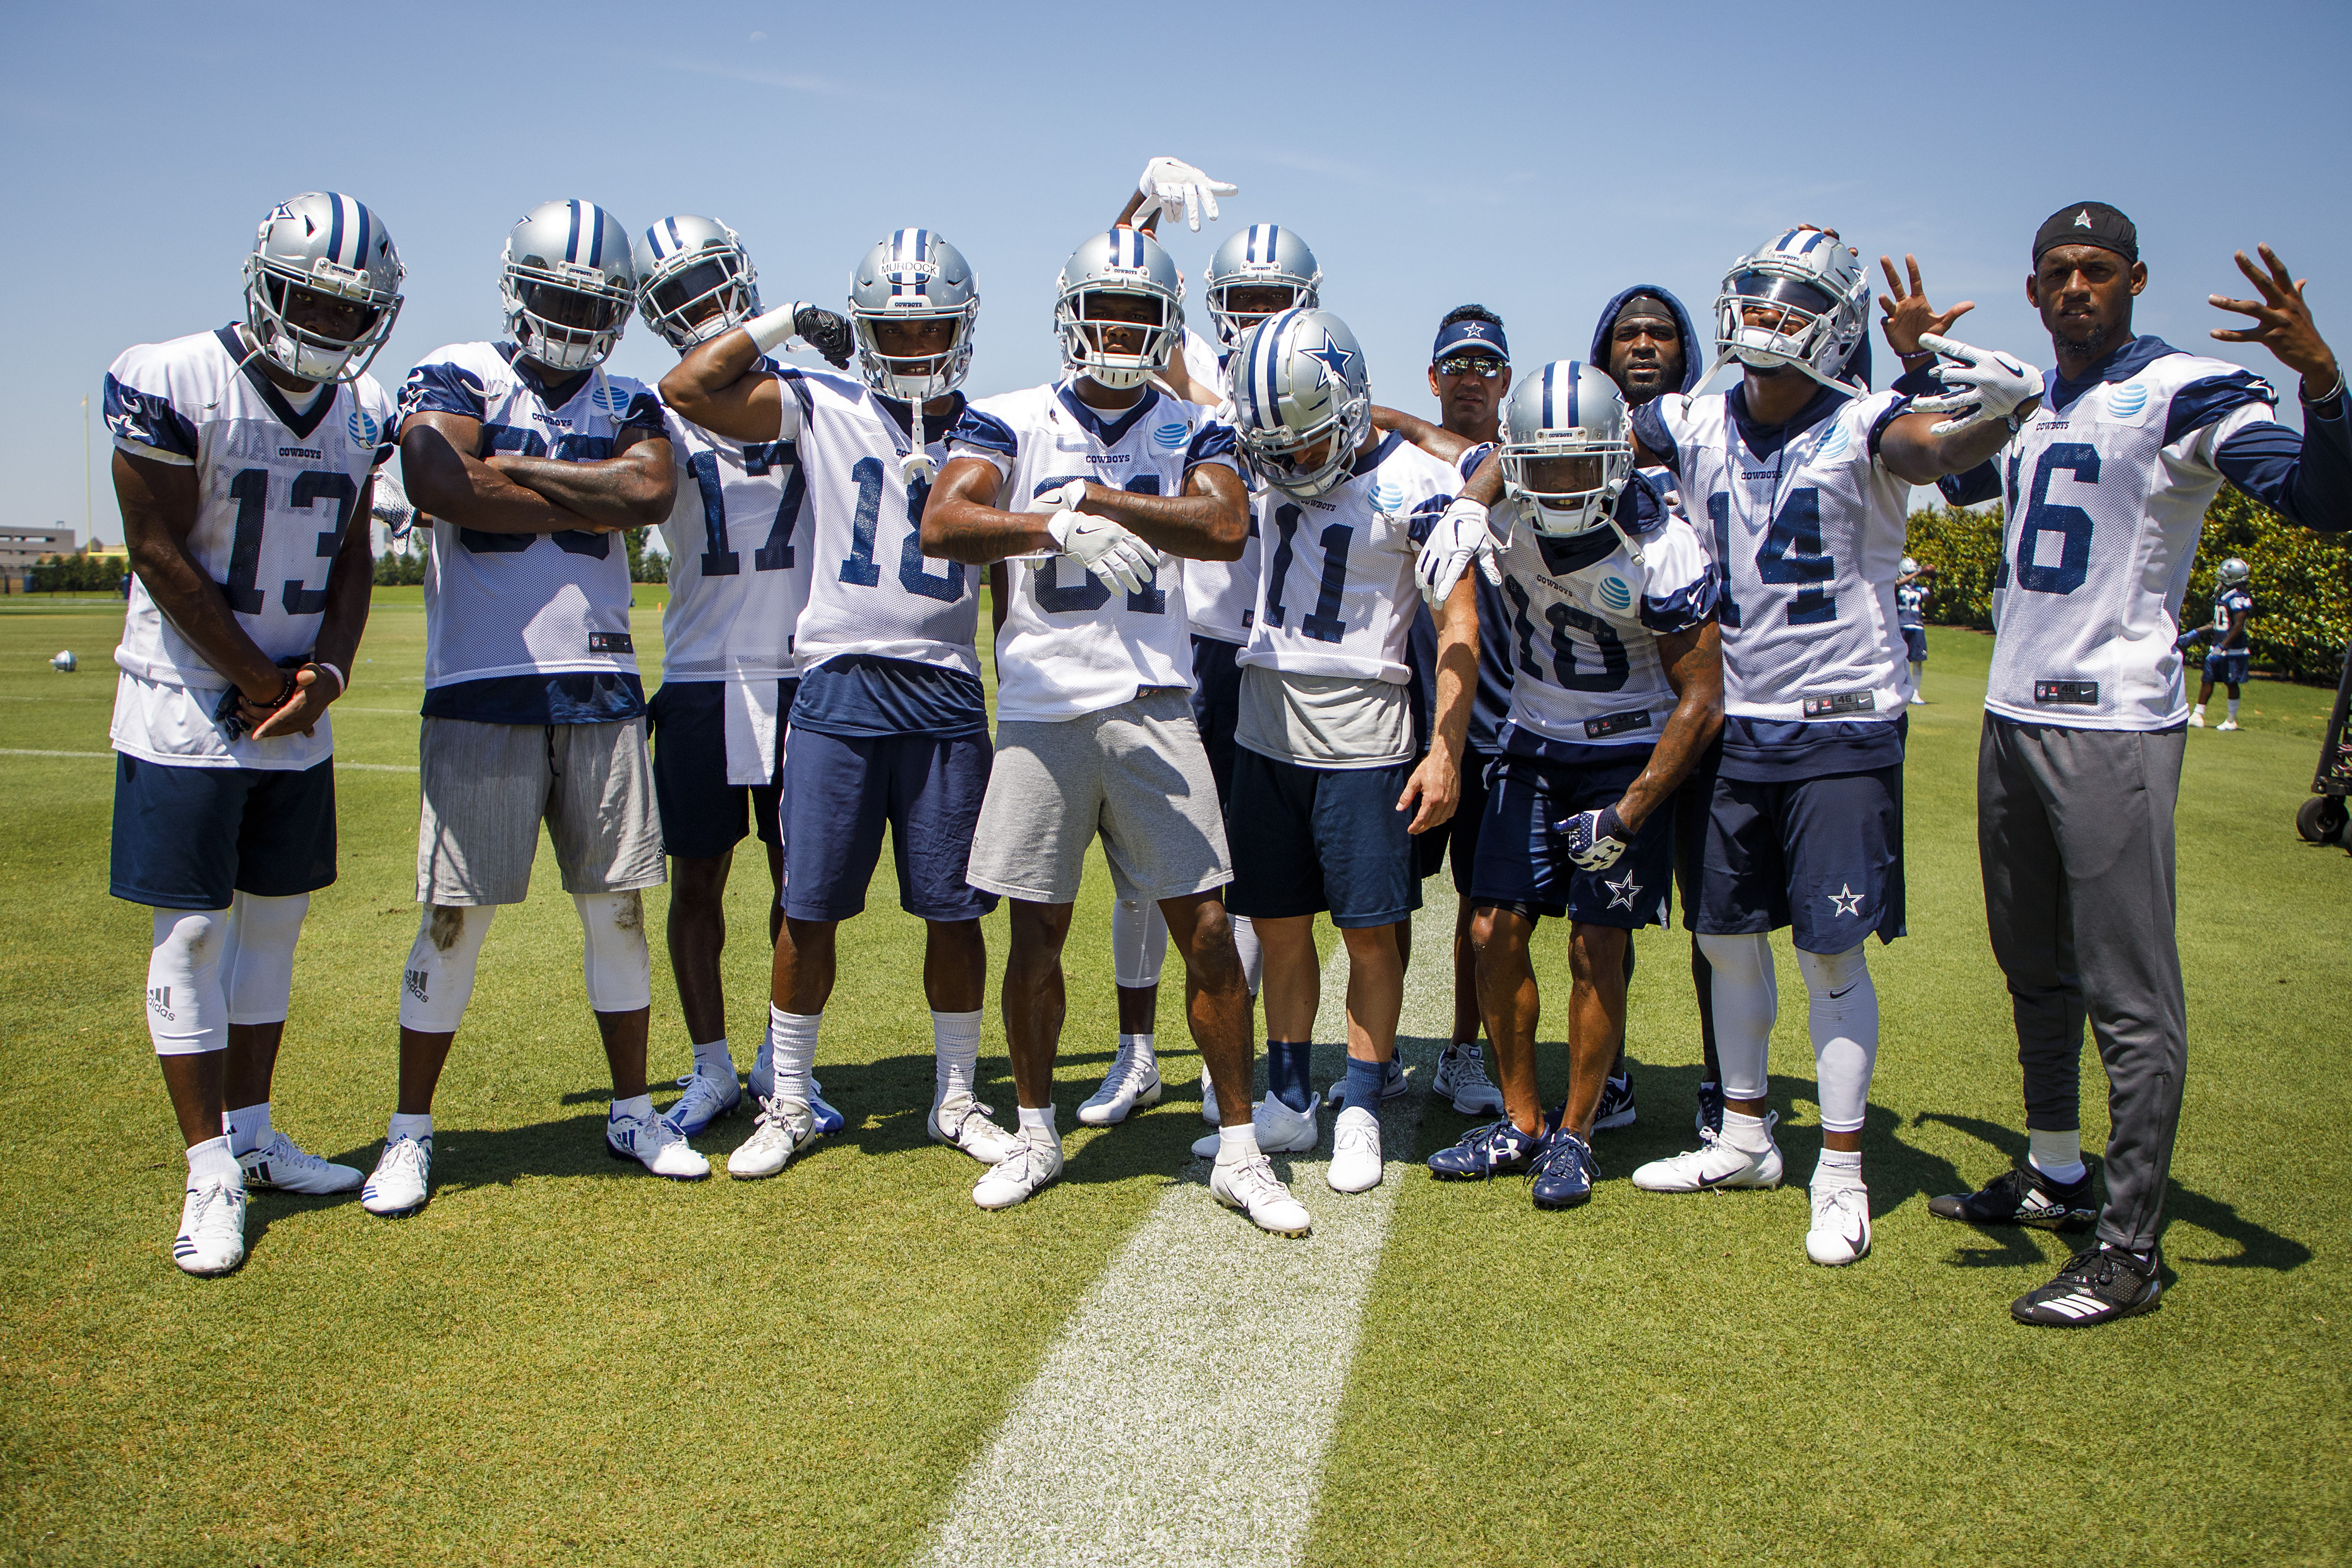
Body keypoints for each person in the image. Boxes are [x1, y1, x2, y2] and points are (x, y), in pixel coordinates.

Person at [1930, 205, 2350, 1324]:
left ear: (2132, 282)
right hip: (2011, 715)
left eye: (2096, 270)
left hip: (2111, 725)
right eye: (2057, 271)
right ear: (2033, 291)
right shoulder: (2029, 405)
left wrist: (2320, 386)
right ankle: (2056, 1171)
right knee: (2031, 965)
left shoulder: (2182, 391)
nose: (2075, 287)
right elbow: (1953, 479)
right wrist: (1909, 359)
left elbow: (2324, 501)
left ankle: (2127, 1251)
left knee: (2127, 994)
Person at [1614, 225, 2042, 1265]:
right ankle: (1747, 1136)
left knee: (1829, 950)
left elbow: (1938, 453)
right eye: (1752, 303)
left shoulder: (1869, 420)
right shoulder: (1693, 415)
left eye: (1785, 307)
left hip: (1839, 723)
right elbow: (1578, 437)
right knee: (1723, 936)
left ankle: (1841, 1166)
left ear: (1831, 324)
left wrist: (2002, 406)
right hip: (1735, 719)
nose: (1760, 324)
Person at [921, 227, 1308, 1234]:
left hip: (1152, 701)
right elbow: (943, 522)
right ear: (1069, 315)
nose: (1121, 329)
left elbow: (1222, 525)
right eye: (1106, 310)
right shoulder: (1005, 417)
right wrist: (1045, 526)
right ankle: (1038, 1130)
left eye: (1141, 313)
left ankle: (1237, 1147)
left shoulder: (1192, 423)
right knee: (1035, 931)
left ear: (1168, 322)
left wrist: (1091, 499)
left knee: (1208, 931)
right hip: (1044, 709)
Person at [363, 199, 700, 1219]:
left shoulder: (632, 393)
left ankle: (633, 1108)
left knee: (620, 907)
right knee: (454, 917)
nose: (573, 315)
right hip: (481, 682)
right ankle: (410, 1130)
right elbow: (436, 477)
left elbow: (646, 496)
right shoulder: (459, 368)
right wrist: (577, 489)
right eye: (557, 292)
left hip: (598, 686)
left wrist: (505, 468)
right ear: (518, 284)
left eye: (593, 300)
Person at [660, 228, 1018, 1183]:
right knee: (805, 908)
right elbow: (689, 391)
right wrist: (779, 321)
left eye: (930, 328)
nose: (912, 349)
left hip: (944, 687)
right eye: (892, 332)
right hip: (839, 684)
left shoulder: (993, 425)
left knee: (954, 910)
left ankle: (954, 1097)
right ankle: (787, 1100)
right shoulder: (821, 401)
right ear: (860, 332)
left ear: (963, 327)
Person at [103, 192, 403, 1273]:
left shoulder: (363, 406)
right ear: (264, 280)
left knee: (272, 931)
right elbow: (155, 546)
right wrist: (256, 676)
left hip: (291, 708)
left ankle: (256, 1132)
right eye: (311, 298)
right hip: (189, 702)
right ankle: (208, 1166)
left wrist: (322, 675)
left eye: (348, 306)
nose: (327, 322)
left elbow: (357, 556)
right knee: (192, 936)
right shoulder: (173, 375)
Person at [1422, 362, 1723, 1209]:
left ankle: (1579, 1132)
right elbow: (1443, 452)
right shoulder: (1500, 501)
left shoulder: (1658, 539)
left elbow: (1702, 695)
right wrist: (1467, 503)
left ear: (1617, 458)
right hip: (1531, 736)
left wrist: (1630, 810)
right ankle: (1522, 1119)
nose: (1557, 482)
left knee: (1597, 944)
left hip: (1627, 748)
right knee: (1489, 927)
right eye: (1540, 464)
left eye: (1578, 463)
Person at [1210, 307, 1477, 1195]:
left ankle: (1361, 1099)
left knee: (1369, 935)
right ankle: (1287, 1094)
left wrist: (1444, 750)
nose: (1288, 464)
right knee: (1279, 930)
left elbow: (1458, 625)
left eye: (1306, 441)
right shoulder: (1264, 448)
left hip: (1364, 738)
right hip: (1264, 730)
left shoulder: (1415, 481)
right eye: (1273, 448)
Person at [630, 214, 853, 1139]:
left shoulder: (808, 394)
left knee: (796, 885)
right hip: (702, 672)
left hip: (803, 672)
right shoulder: (659, 404)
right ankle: (711, 1062)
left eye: (715, 284)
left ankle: (777, 1057)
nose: (704, 305)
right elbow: (686, 393)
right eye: (681, 296)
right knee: (696, 882)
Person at [1588, 284, 1713, 1132]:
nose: (1642, 344)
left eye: (1659, 333)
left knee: (1716, 914)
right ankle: (1613, 1071)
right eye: (1627, 333)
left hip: (1705, 701)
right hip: (1616, 707)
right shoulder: (1576, 439)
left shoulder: (1716, 432)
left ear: (1686, 349)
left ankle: (1722, 1077)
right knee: (1608, 914)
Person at [2190, 556, 2255, 729]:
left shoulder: (2238, 597)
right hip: (2218, 646)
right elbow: (2218, 623)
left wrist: (2223, 646)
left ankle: (2231, 721)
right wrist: (2196, 632)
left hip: (2232, 650)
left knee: (2231, 682)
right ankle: (2198, 715)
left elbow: (2238, 626)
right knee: (2207, 679)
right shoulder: (2224, 594)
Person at [1894, 556, 1935, 703]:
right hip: (1901, 626)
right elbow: (1897, 584)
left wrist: (1932, 582)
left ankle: (1915, 693)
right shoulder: (1898, 586)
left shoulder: (1920, 589)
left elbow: (1931, 602)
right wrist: (1918, 572)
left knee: (1918, 660)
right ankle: (1900, 690)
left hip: (1917, 626)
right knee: (1900, 660)